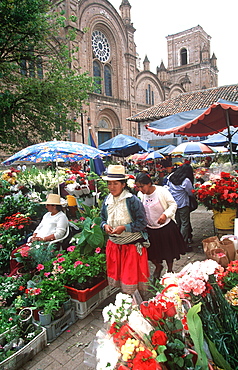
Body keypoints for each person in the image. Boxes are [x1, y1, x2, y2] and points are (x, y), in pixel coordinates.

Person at [100, 165, 149, 295]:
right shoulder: (107, 200)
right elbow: (103, 218)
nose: (111, 187)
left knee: (131, 278)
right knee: (122, 277)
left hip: (130, 247)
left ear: (123, 185)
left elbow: (143, 222)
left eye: (115, 183)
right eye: (109, 184)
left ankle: (136, 303)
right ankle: (126, 302)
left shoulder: (132, 201)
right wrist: (105, 226)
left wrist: (125, 228)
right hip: (115, 246)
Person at [135, 173, 186, 280]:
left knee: (168, 251)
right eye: (138, 187)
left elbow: (173, 204)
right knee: (153, 253)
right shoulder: (141, 195)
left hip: (165, 227)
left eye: (142, 186)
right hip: (151, 229)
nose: (140, 189)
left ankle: (170, 271)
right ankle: (158, 266)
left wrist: (165, 214)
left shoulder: (161, 191)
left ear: (149, 184)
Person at [9, 193, 69, 276]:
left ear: (54, 206)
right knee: (15, 254)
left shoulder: (61, 217)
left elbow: (59, 234)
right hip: (36, 241)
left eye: (48, 205)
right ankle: (16, 275)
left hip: (46, 244)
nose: (46, 207)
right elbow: (39, 227)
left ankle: (25, 275)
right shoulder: (47, 215)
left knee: (25, 256)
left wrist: (43, 239)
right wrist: (34, 235)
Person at [167, 163, 194, 246]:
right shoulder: (186, 180)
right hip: (183, 204)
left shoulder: (171, 176)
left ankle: (177, 240)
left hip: (173, 204)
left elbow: (167, 187)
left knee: (177, 222)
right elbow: (190, 192)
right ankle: (182, 242)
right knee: (184, 223)